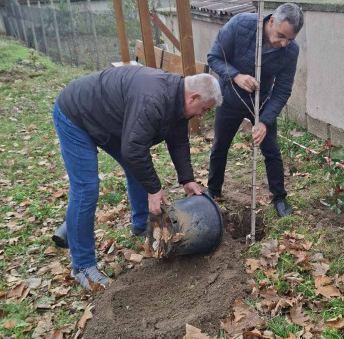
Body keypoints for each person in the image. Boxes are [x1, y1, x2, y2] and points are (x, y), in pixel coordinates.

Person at [53, 65, 222, 290]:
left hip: (108, 119)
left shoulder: (177, 100)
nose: (202, 115)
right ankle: (82, 266)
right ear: (194, 97)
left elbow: (178, 141)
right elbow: (133, 149)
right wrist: (153, 189)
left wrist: (187, 179)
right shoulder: (153, 99)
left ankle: (141, 225)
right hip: (76, 115)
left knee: (137, 167)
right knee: (86, 189)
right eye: (204, 109)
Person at [206, 3, 304, 217]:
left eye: (290, 39)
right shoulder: (240, 25)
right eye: (281, 36)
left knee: (271, 150)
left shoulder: (290, 51)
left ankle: (279, 198)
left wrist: (265, 121)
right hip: (230, 98)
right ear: (271, 21)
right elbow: (214, 58)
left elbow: (283, 89)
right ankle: (213, 191)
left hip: (261, 102)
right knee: (220, 146)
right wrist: (236, 76)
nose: (284, 43)